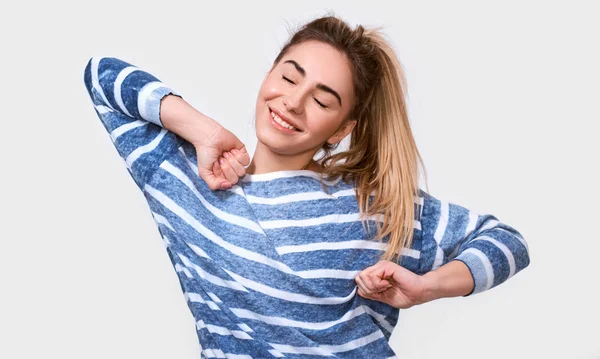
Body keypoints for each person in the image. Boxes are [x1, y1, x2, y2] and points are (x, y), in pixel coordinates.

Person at [83, 15, 530, 359]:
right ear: (268, 75)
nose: (292, 102)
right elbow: (101, 75)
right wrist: (202, 130)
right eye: (288, 76)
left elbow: (507, 243)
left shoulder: (371, 205)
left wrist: (427, 287)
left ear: (341, 129)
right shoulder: (184, 179)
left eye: (321, 100)